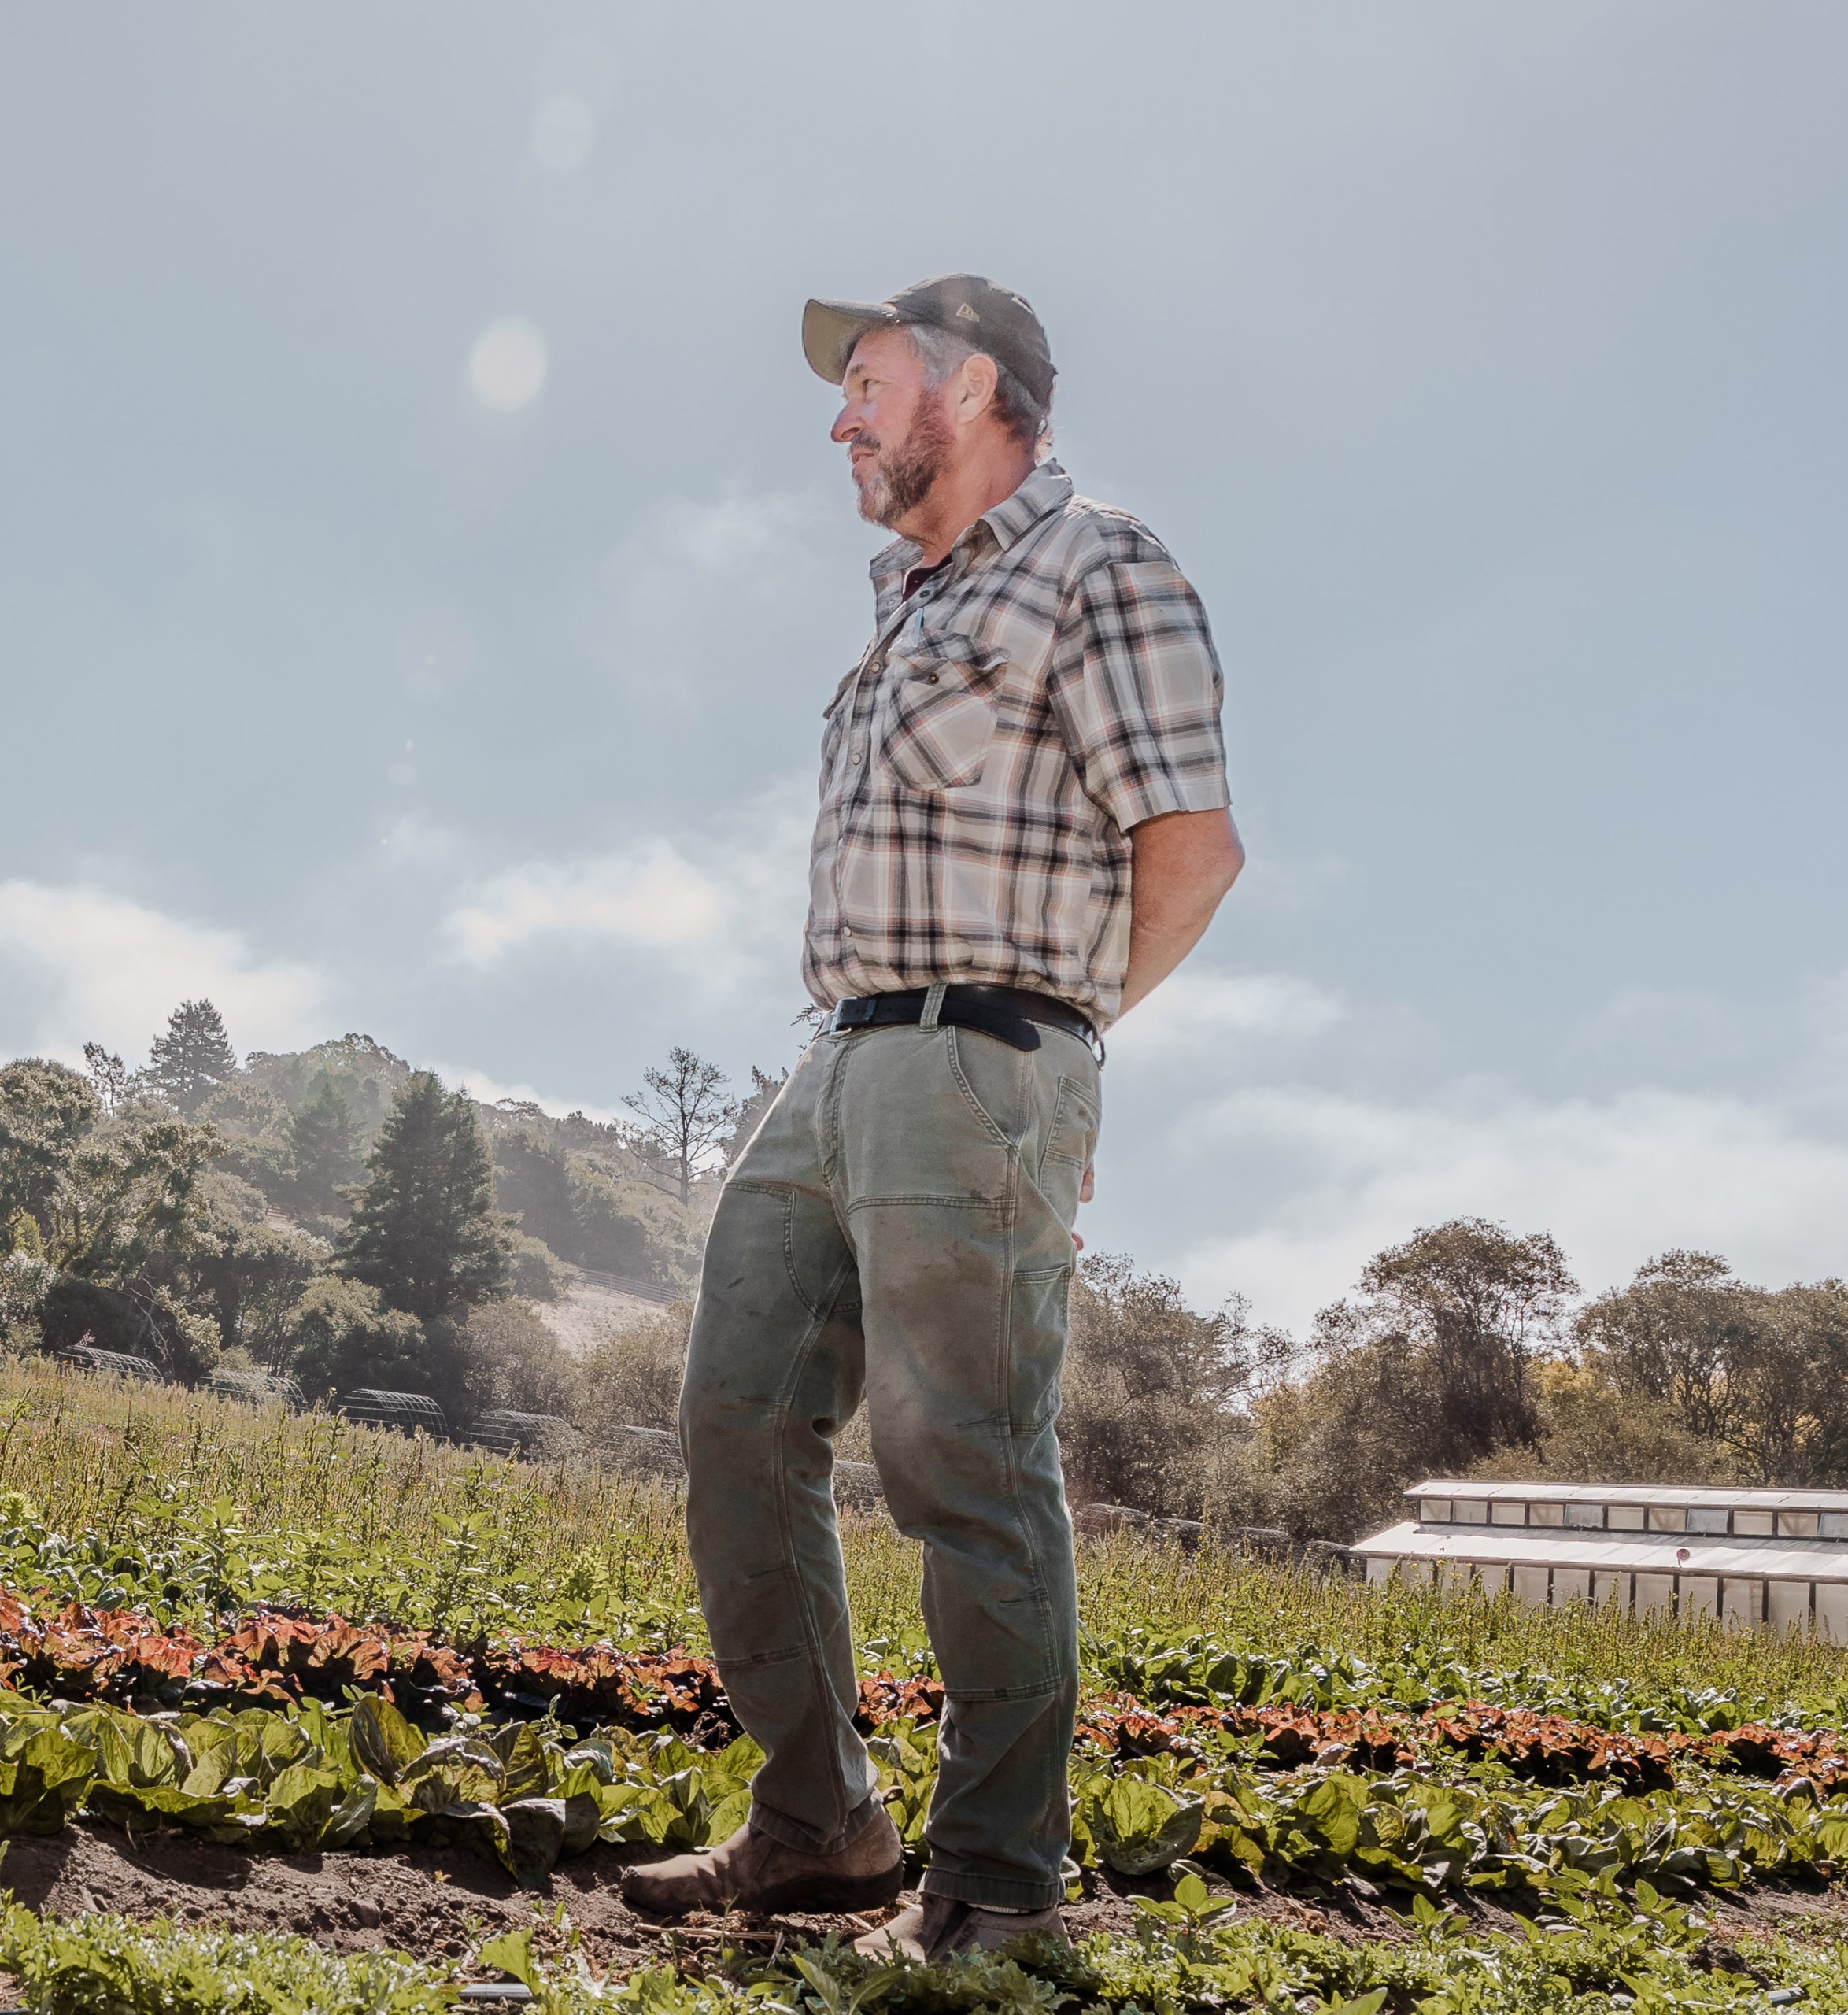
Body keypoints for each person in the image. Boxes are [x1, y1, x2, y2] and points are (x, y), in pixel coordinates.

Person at [621, 279, 1244, 1961]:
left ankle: (994, 1883)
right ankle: (822, 1819)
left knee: (961, 1455)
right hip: (837, 1054)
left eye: (868, 381)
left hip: (981, 1049)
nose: (840, 417)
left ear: (971, 387)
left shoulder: (1098, 563)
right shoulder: (907, 600)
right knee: (737, 1414)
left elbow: (1189, 846)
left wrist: (1060, 1049)